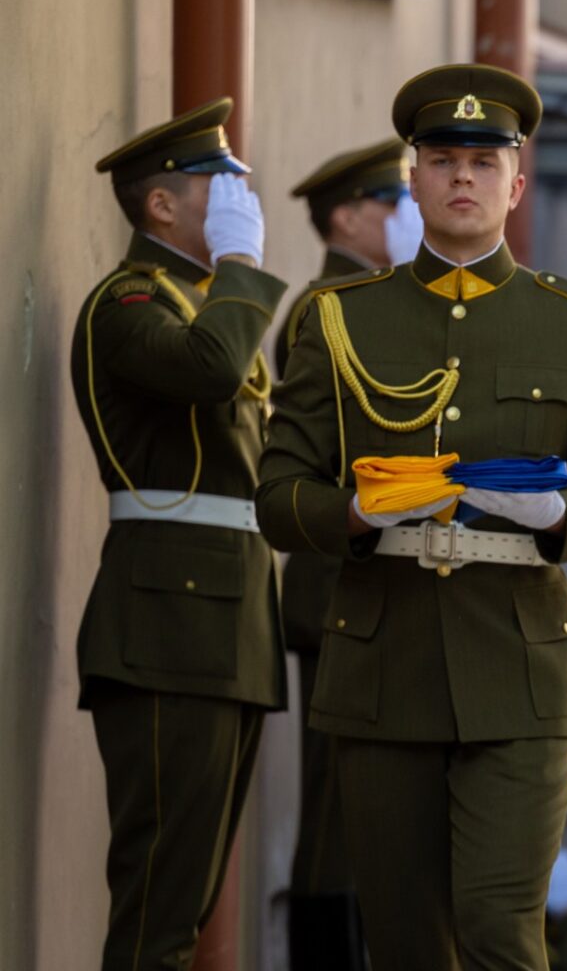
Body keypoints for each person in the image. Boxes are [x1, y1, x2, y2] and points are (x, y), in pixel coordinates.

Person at [256, 63, 567, 970]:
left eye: (484, 159)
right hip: (383, 669)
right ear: (412, 181)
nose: (464, 176)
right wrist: (349, 510)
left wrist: (553, 518)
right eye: (442, 159)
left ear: (516, 182)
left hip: (520, 672)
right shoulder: (341, 322)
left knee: (503, 934)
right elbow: (277, 495)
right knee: (407, 945)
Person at [71, 98, 286, 968]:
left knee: (186, 905)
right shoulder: (128, 303)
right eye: (218, 185)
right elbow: (210, 372)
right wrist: (240, 262)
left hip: (228, 619)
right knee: (158, 903)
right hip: (166, 627)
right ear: (162, 206)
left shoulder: (202, 301)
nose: (240, 198)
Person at [278, 136, 419, 969]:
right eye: (393, 202)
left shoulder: (370, 300)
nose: (409, 215)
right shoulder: (328, 306)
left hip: (368, 587)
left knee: (368, 813)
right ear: (349, 217)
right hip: (338, 585)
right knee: (336, 813)